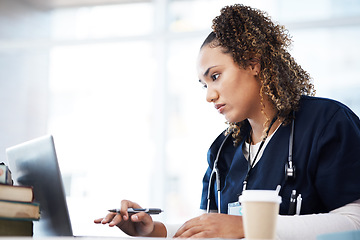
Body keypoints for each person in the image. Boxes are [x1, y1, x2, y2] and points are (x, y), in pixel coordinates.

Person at [94, 4, 360, 239]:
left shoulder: (327, 123)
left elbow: (355, 222)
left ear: (254, 63)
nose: (210, 95)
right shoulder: (223, 149)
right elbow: (210, 229)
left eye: (216, 76)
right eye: (204, 85)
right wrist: (153, 230)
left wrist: (247, 226)